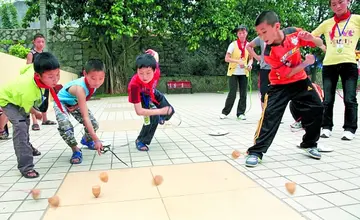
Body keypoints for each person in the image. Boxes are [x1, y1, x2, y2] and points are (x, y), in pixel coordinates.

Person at [244, 10, 326, 167]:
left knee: (317, 108)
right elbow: (287, 73)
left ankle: (309, 144)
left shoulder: (294, 33)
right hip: (279, 85)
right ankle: (256, 152)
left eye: (264, 31)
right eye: (258, 34)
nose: (261, 37)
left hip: (301, 82)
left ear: (276, 26)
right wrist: (305, 64)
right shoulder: (268, 52)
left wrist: (311, 38)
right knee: (270, 116)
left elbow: (319, 43)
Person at [0, 52, 61, 178]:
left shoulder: (34, 68)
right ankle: (26, 166)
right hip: (7, 99)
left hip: (18, 96)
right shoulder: (29, 90)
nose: (55, 79)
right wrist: (37, 114)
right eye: (50, 76)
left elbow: (25, 68)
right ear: (38, 75)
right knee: (21, 125)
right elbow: (29, 108)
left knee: (25, 122)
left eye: (57, 74)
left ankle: (26, 148)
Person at [311, 0, 360, 140]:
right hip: (329, 64)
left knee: (350, 98)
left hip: (349, 63)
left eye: (340, 2)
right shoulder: (327, 23)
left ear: (348, 2)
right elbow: (313, 36)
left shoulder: (356, 19)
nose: (337, 6)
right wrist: (322, 46)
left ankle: (350, 128)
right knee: (327, 99)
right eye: (333, 4)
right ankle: (326, 126)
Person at [54, 59, 105, 164]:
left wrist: (76, 105)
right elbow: (85, 117)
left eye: (101, 78)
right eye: (93, 78)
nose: (97, 82)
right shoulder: (80, 88)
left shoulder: (93, 85)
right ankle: (75, 149)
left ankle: (86, 140)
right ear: (85, 74)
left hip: (75, 102)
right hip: (61, 102)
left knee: (94, 124)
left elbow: (84, 99)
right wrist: (97, 139)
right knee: (65, 126)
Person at [128, 49, 174, 151]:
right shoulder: (134, 86)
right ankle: (141, 140)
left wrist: (155, 53)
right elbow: (139, 111)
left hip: (152, 92)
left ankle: (162, 117)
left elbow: (156, 59)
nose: (144, 77)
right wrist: (160, 111)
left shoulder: (156, 70)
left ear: (154, 70)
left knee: (170, 110)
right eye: (141, 73)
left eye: (148, 73)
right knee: (152, 119)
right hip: (142, 96)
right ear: (137, 71)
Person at [220, 25, 253, 120]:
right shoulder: (233, 45)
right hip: (233, 72)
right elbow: (227, 58)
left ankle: (241, 113)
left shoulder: (249, 45)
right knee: (232, 93)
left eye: (243, 32)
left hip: (244, 73)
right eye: (240, 33)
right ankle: (225, 112)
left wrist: (250, 65)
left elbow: (251, 59)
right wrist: (237, 61)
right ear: (237, 34)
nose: (242, 35)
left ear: (246, 33)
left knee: (243, 94)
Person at [26, 33, 57, 131]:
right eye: (38, 41)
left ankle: (45, 119)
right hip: (35, 82)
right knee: (34, 101)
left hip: (44, 82)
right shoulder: (31, 54)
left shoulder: (44, 55)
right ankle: (34, 122)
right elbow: (28, 68)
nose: (41, 44)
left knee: (45, 99)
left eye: (43, 42)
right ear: (34, 42)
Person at [246, 36, 271, 110]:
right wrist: (257, 57)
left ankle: (275, 116)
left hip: (277, 69)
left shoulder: (279, 35)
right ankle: (264, 116)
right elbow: (249, 46)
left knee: (277, 93)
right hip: (265, 68)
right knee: (264, 92)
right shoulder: (262, 37)